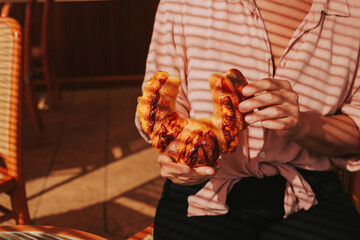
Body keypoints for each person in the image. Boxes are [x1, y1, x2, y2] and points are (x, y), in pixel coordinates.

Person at [135, 0, 360, 239]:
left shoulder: (352, 12)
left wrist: (303, 126)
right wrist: (176, 154)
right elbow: (160, 106)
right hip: (202, 190)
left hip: (310, 194)